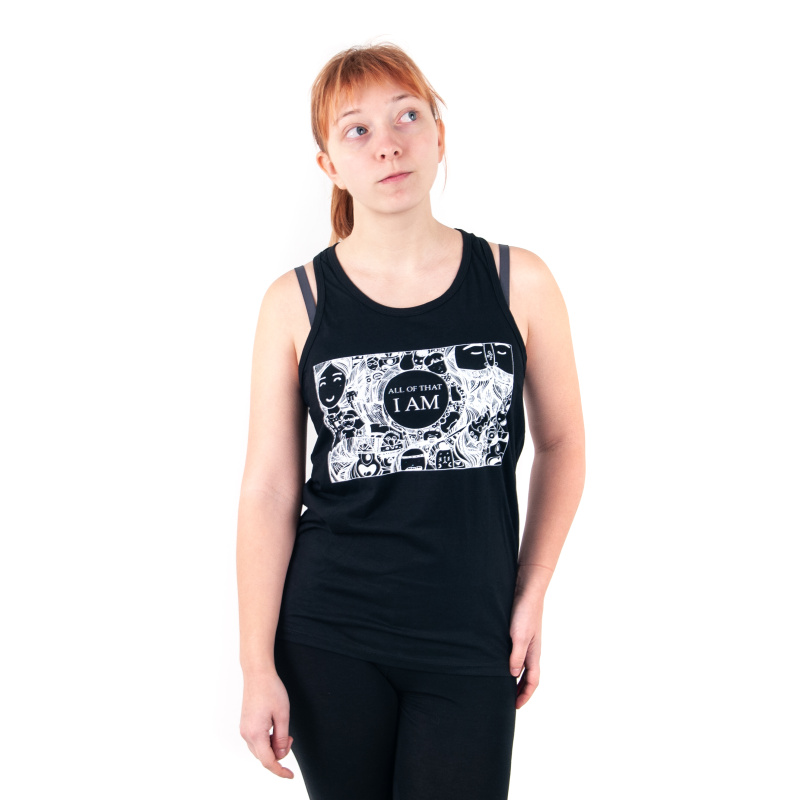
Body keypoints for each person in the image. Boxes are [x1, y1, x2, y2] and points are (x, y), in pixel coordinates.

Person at [236, 42, 585, 800]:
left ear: (439, 134)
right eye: (357, 130)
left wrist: (532, 592)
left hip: (473, 632)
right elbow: (268, 490)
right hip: (328, 635)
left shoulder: (517, 281)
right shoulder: (295, 302)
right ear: (329, 164)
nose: (388, 144)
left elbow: (562, 444)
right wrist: (256, 665)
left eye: (407, 116)